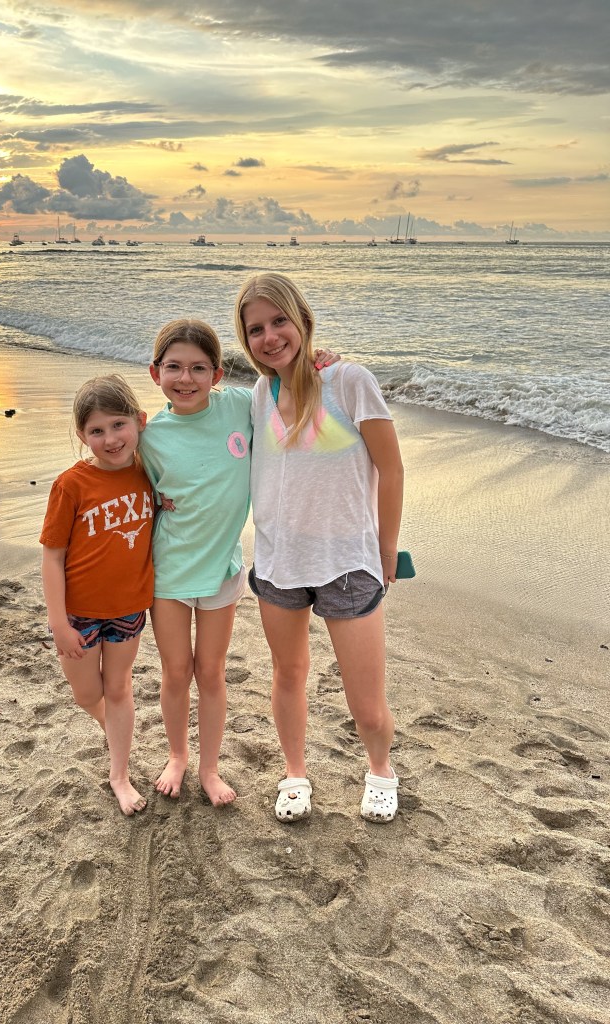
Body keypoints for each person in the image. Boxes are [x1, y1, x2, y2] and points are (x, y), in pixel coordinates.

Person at [234, 273, 405, 824]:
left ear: (303, 321)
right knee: (288, 675)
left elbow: (391, 468)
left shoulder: (349, 381)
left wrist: (386, 551)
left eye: (279, 321)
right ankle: (295, 774)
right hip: (280, 560)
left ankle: (380, 770)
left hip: (347, 563)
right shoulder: (259, 394)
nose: (270, 337)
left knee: (366, 703)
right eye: (255, 329)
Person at [141, 319, 252, 807]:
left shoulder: (241, 406)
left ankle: (209, 768)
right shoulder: (149, 436)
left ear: (217, 374)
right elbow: (134, 489)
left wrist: (321, 363)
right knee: (175, 670)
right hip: (168, 570)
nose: (185, 379)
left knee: (210, 671)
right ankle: (177, 755)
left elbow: (289, 389)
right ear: (155, 373)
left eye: (198, 368)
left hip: (221, 569)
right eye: (174, 367)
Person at [40, 375, 154, 816]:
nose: (111, 439)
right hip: (79, 614)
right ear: (82, 435)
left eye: (119, 424)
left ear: (139, 421)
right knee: (88, 695)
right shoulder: (71, 484)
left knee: (119, 687)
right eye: (97, 430)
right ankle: (115, 730)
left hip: (129, 607)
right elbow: (52, 558)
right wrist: (59, 623)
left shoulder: (150, 472)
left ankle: (118, 774)